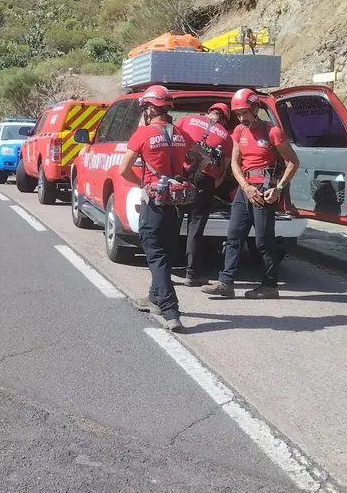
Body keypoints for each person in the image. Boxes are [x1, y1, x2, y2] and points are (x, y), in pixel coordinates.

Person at [202, 89, 299, 300]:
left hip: (265, 192)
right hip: (245, 190)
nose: (241, 118)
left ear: (255, 109)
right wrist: (245, 187)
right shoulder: (238, 131)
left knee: (263, 241)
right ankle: (225, 282)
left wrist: (279, 189)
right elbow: (235, 164)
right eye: (238, 114)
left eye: (244, 113)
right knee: (234, 236)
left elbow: (293, 162)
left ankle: (270, 285)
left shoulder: (272, 132)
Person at [118, 85, 192, 333]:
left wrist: (143, 183)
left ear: (150, 108)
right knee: (165, 253)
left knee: (155, 253)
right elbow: (201, 156)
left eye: (145, 108)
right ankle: (153, 297)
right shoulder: (180, 134)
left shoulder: (143, 134)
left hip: (155, 203)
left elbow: (123, 169)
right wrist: (186, 175)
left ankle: (171, 311)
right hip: (175, 204)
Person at [174, 103, 234, 287]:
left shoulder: (187, 120)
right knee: (196, 229)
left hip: (180, 177)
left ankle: (163, 270)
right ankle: (192, 274)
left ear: (209, 112)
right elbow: (222, 171)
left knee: (171, 225)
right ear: (224, 119)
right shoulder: (227, 137)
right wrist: (210, 188)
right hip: (204, 181)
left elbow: (172, 144)